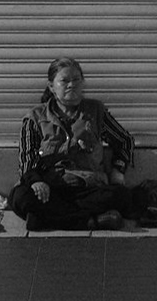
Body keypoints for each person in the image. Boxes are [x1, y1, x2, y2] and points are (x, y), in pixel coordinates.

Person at [12, 57, 137, 231]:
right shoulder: (35, 117)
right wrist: (37, 182)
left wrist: (118, 169)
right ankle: (92, 222)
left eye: (76, 80)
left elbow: (124, 140)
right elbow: (27, 158)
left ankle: (46, 220)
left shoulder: (95, 111)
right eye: (64, 81)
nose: (71, 85)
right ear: (51, 87)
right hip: (51, 188)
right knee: (21, 197)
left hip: (87, 188)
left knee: (121, 196)